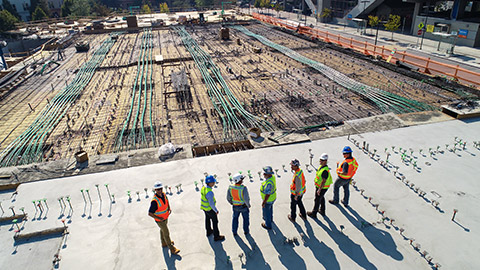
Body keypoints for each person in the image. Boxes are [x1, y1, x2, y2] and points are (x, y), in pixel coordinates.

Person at [148, 181, 180, 255]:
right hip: (160, 220)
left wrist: (169, 208)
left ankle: (164, 243)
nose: (160, 191)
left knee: (162, 230)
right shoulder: (154, 201)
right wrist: (159, 218)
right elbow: (150, 213)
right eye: (158, 189)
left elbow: (166, 201)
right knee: (166, 233)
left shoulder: (164, 194)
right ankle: (172, 248)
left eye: (160, 189)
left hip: (165, 217)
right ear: (155, 190)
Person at [201, 175, 225, 241]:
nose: (214, 183)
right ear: (210, 183)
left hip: (204, 208)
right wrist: (216, 210)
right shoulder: (209, 192)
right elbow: (211, 204)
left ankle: (208, 231)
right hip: (210, 209)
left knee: (207, 219)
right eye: (213, 182)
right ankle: (216, 236)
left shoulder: (203, 188)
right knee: (215, 222)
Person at [307, 153, 332, 218]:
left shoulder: (325, 171)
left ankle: (314, 213)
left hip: (322, 187)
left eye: (322, 160)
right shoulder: (322, 167)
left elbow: (323, 181)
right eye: (320, 160)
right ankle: (322, 210)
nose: (320, 161)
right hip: (321, 187)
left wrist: (319, 189)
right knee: (321, 198)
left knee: (317, 200)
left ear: (326, 161)